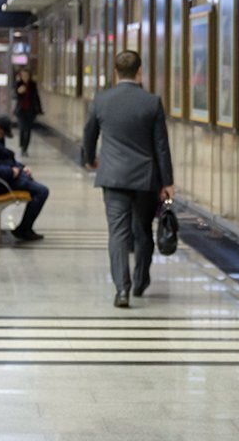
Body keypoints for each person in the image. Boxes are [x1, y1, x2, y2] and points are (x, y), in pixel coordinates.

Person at [82, 50, 175, 309]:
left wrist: (89, 159)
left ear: (115, 72)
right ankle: (141, 279)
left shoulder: (102, 101)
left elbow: (89, 134)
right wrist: (167, 182)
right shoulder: (151, 102)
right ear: (139, 72)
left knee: (118, 233)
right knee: (142, 231)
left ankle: (121, 289)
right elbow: (161, 146)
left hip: (113, 177)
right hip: (146, 179)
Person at [0, 114, 49, 243]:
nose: (3, 137)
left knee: (34, 184)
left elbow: (3, 160)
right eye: (3, 133)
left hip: (1, 179)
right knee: (42, 191)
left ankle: (24, 229)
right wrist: (11, 172)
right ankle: (24, 229)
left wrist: (21, 167)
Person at [13, 68, 43, 156]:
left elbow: (36, 97)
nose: (25, 77)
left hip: (30, 110)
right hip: (21, 110)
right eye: (23, 76)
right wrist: (19, 92)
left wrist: (39, 109)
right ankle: (22, 144)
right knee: (23, 128)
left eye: (27, 75)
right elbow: (15, 95)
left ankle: (25, 149)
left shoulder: (33, 85)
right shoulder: (18, 84)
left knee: (28, 130)